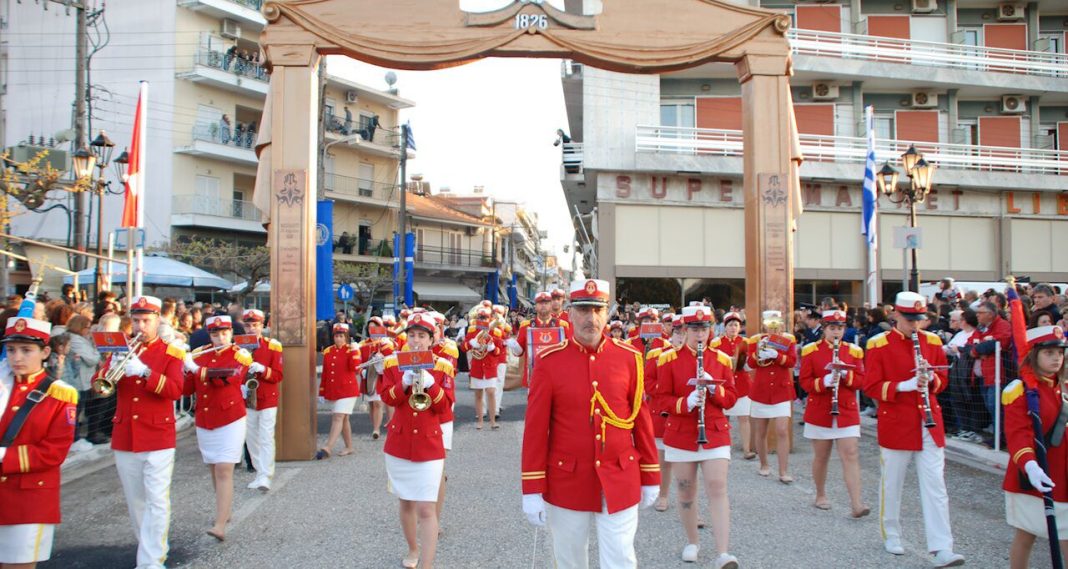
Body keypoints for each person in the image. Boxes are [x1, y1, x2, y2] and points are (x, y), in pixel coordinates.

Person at [521, 279, 660, 569]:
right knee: (570, 559)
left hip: (620, 474)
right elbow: (536, 430)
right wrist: (532, 487)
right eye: (583, 310)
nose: (590, 318)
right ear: (569, 313)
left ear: (607, 314)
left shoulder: (629, 359)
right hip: (567, 479)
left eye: (597, 311)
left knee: (621, 559)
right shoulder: (549, 361)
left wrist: (650, 474)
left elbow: (641, 421)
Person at [863, 291, 965, 567]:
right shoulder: (878, 344)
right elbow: (871, 385)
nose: (915, 325)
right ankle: (892, 533)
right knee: (892, 481)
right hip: (896, 419)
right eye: (909, 319)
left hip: (929, 421)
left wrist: (931, 379)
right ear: (896, 315)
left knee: (935, 484)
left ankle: (943, 546)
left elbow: (942, 379)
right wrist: (902, 386)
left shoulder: (931, 341)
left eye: (919, 319)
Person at [650, 304, 739, 568]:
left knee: (717, 486)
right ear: (685, 329)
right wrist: (685, 403)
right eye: (695, 329)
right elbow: (661, 399)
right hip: (680, 432)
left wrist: (715, 391)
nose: (700, 334)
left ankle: (723, 552)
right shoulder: (668, 359)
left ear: (711, 329)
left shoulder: (722, 359)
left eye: (705, 328)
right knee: (686, 490)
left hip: (713, 430)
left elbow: (731, 398)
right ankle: (692, 542)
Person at [111, 296, 186, 569]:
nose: (141, 326)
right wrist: (110, 367)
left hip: (157, 434)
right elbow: (101, 386)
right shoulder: (120, 349)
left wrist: (145, 372)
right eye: (137, 320)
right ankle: (149, 550)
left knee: (156, 500)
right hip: (125, 435)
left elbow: (175, 390)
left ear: (157, 320)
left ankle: (152, 561)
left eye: (147, 320)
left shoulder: (171, 352)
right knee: (135, 502)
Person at [0, 314, 78, 568]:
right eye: (11, 350)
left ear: (45, 352)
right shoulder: (3, 387)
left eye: (26, 350)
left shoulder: (60, 394)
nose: (17, 358)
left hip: (28, 498)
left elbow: (53, 452)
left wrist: (3, 457)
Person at [378, 313, 455, 569]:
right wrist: (404, 383)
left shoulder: (442, 365)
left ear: (431, 339)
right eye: (412, 335)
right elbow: (387, 397)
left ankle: (427, 565)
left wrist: (432, 386)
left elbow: (445, 407)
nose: (416, 341)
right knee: (406, 502)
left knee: (426, 509)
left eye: (422, 336)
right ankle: (413, 548)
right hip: (399, 444)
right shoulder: (393, 363)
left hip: (429, 445)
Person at [1001, 325, 1067, 569]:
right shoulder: (1021, 391)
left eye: (1059, 353)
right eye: (1049, 353)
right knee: (1027, 534)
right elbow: (1018, 435)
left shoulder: (1061, 387)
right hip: (1034, 474)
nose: (1056, 358)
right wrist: (1031, 466)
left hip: (1062, 475)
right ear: (1034, 355)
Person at [183, 315, 251, 542]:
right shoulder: (200, 354)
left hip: (230, 417)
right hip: (205, 417)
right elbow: (185, 389)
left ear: (231, 333)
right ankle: (225, 510)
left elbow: (227, 377)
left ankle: (220, 523)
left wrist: (194, 368)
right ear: (209, 335)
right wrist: (180, 367)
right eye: (215, 334)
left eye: (224, 333)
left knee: (224, 468)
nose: (220, 338)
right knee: (214, 468)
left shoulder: (240, 354)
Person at [798, 310, 869, 517]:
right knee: (822, 456)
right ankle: (820, 494)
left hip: (846, 409)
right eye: (832, 328)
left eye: (840, 328)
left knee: (851, 454)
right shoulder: (811, 350)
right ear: (824, 329)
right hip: (821, 409)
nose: (836, 332)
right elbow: (805, 382)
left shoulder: (854, 351)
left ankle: (856, 503)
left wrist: (847, 375)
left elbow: (861, 381)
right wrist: (824, 382)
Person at [745, 310, 797, 483]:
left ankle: (783, 471)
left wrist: (777, 356)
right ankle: (764, 464)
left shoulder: (788, 340)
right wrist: (760, 352)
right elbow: (750, 363)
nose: (773, 326)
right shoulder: (756, 339)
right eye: (770, 323)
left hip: (781, 389)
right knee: (761, 430)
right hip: (762, 389)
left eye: (776, 322)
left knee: (782, 430)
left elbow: (792, 361)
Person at [241, 309, 283, 491]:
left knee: (266, 436)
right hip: (246, 397)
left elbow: (278, 375)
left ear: (262, 326)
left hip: (266, 397)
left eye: (255, 325)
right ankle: (259, 472)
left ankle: (266, 474)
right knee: (251, 437)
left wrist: (262, 369)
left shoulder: (272, 346)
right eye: (248, 325)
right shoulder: (238, 347)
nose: (251, 329)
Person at [710, 311, 754, 460]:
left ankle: (747, 449)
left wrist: (747, 362)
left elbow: (749, 366)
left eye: (736, 325)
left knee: (744, 418)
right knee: (724, 418)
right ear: (725, 326)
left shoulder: (745, 342)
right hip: (725, 384)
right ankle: (724, 447)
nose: (733, 328)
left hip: (742, 384)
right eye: (730, 325)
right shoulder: (716, 342)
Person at [507, 291, 571, 388]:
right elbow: (518, 353)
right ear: (535, 306)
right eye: (540, 303)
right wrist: (512, 344)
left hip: (556, 377)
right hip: (533, 378)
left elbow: (569, 350)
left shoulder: (562, 325)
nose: (543, 306)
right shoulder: (526, 326)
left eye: (546, 303)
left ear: (550, 305)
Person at [317, 323, 362, 459]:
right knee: (344, 419)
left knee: (337, 417)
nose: (338, 339)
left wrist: (355, 352)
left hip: (348, 390)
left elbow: (356, 369)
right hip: (334, 389)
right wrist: (322, 391)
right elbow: (325, 373)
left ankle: (328, 447)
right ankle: (349, 446)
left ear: (347, 337)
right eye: (336, 336)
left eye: (341, 336)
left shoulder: (351, 350)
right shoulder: (328, 351)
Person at [463, 306, 502, 431]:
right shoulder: (472, 329)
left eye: (485, 317)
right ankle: (480, 421)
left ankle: (493, 421)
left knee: (491, 392)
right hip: (477, 366)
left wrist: (492, 348)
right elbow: (463, 347)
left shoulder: (496, 331)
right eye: (481, 317)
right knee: (478, 394)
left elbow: (499, 351)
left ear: (490, 318)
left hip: (490, 366)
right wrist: (471, 343)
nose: (483, 319)